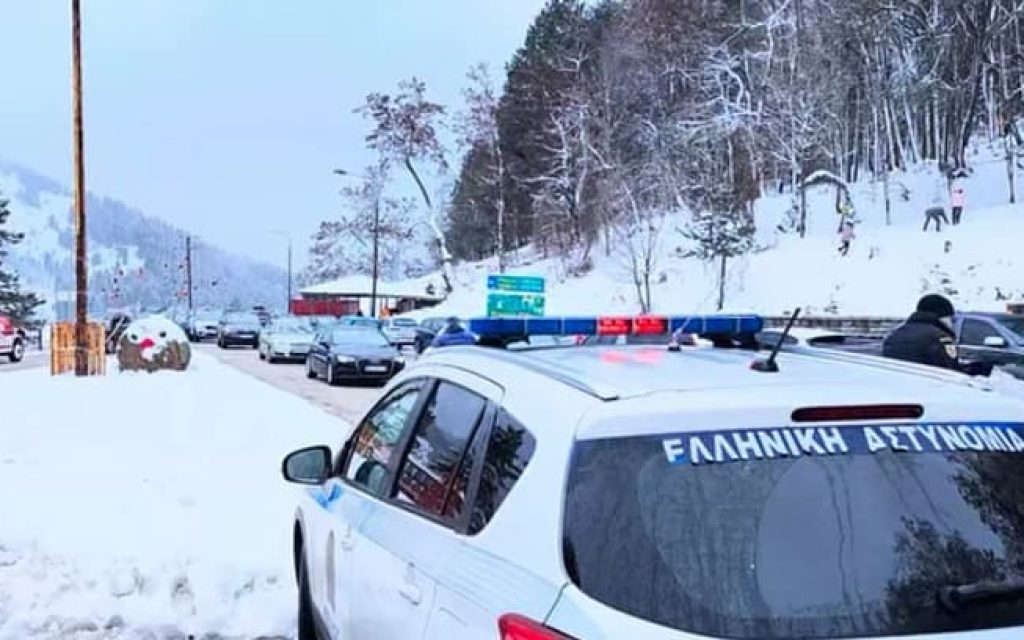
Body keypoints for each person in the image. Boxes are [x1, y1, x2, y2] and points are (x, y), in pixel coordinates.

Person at [882, 294, 991, 376]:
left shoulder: (896, 334)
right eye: (951, 318)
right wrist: (976, 369)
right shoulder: (940, 338)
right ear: (942, 316)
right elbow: (949, 372)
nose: (952, 323)